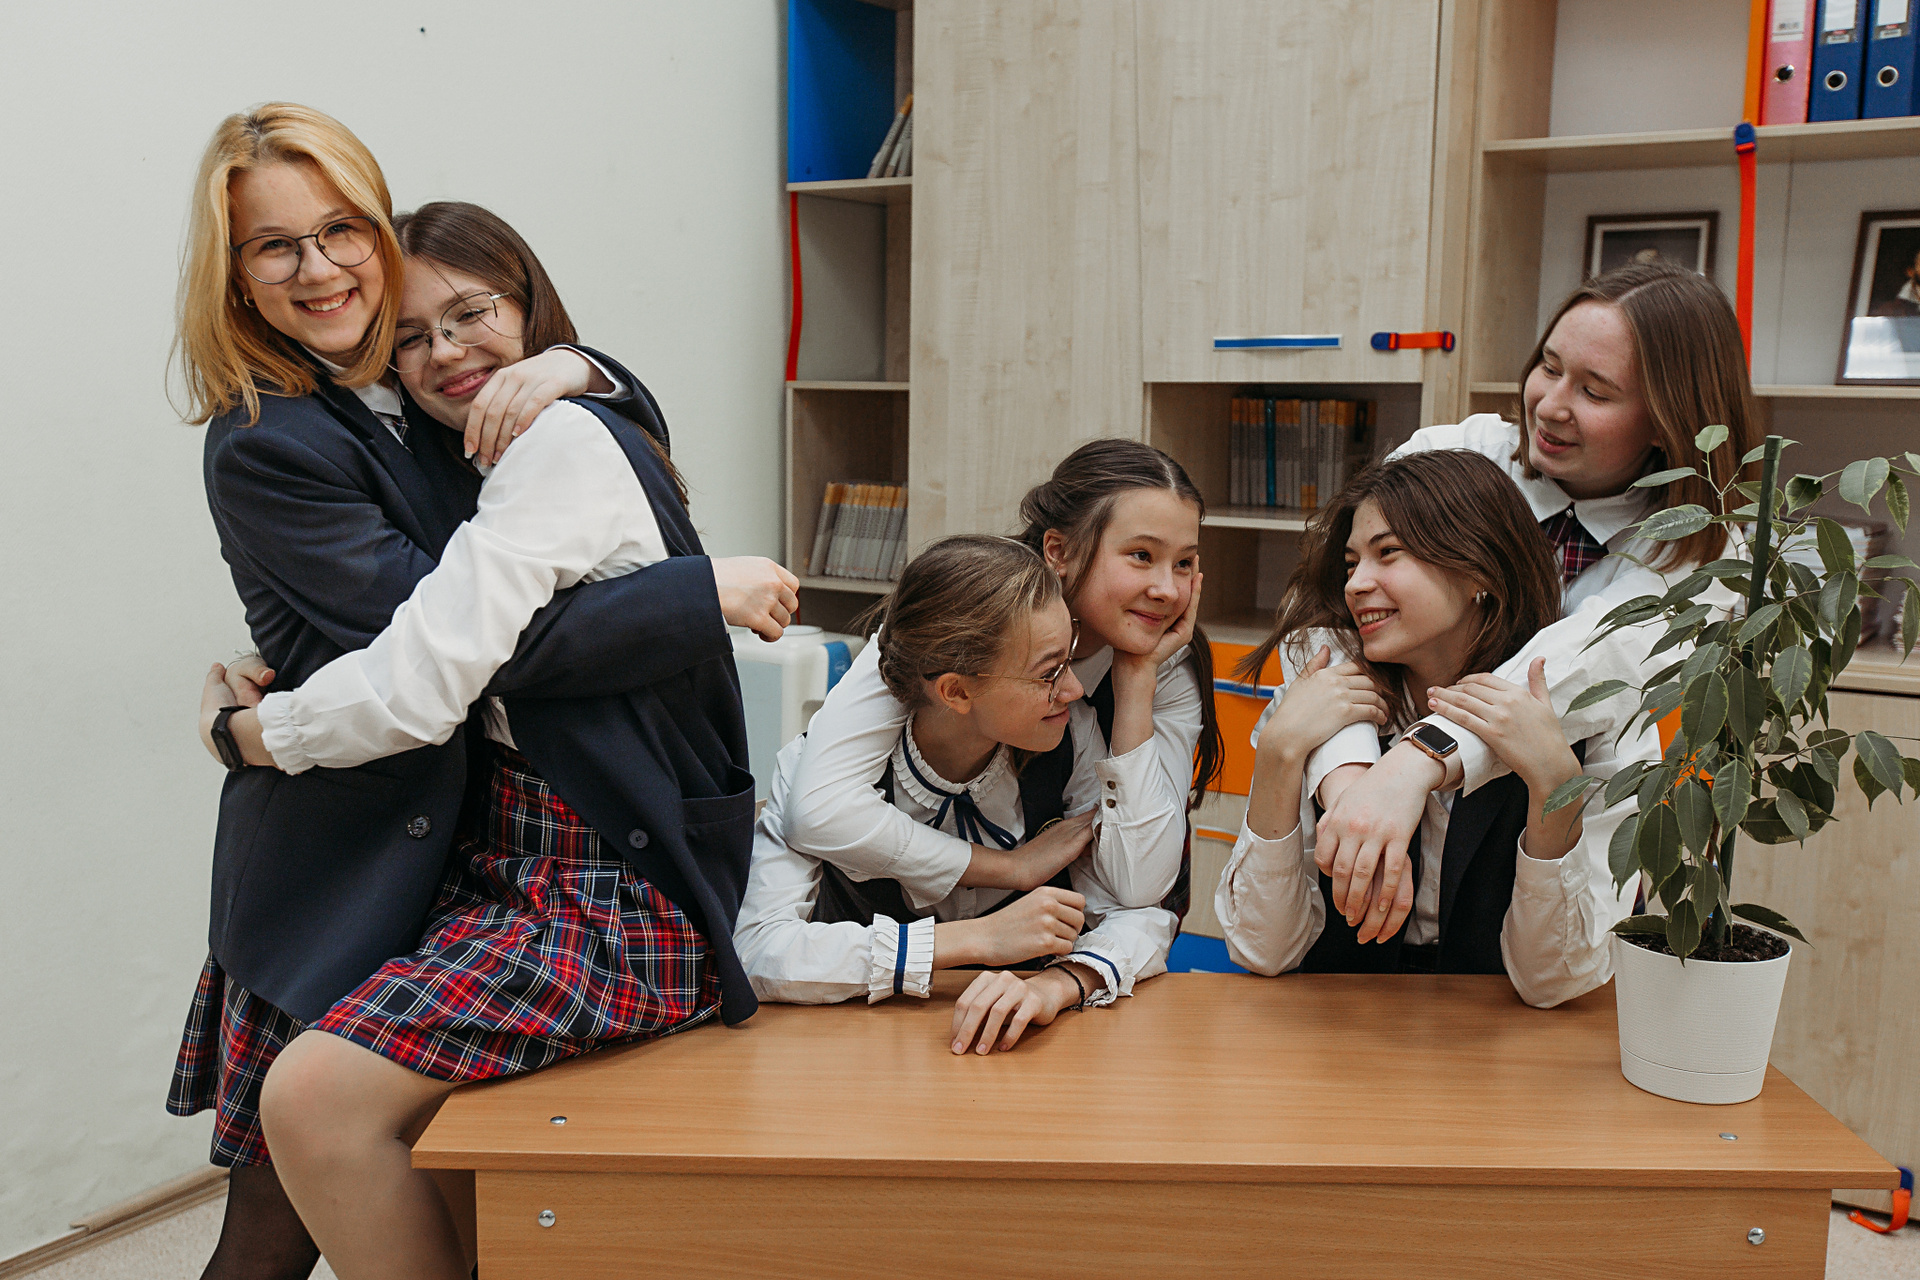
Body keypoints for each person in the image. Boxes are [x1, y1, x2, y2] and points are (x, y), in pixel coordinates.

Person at [168, 105, 795, 1280]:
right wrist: (694, 592)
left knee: (386, 1169)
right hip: (344, 852)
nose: (319, 267)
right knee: (269, 1222)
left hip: (478, 846)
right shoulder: (270, 438)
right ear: (237, 277)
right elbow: (455, 645)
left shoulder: (435, 396)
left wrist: (577, 365)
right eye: (275, 247)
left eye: (341, 230)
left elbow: (578, 440)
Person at [1304, 262, 1754, 943]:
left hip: (1547, 860)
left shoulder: (1700, 548)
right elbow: (1331, 620)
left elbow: (1575, 668)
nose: (1549, 405)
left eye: (1595, 391)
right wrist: (1353, 782)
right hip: (1386, 857)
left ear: (1667, 422)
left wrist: (1414, 763)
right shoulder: (1455, 452)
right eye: (1549, 366)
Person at [1217, 451, 1658, 1006]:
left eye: (1388, 553)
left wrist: (1553, 785)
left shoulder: (1589, 715)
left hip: (1501, 1031)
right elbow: (1263, 949)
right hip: (1342, 1019)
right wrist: (1279, 752)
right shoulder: (1323, 698)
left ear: (1479, 571)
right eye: (1351, 563)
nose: (1356, 584)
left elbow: (1552, 981)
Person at [735, 536, 1177, 1053]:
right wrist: (975, 940)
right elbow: (758, 952)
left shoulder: (1071, 742)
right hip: (860, 1060)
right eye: (1049, 672)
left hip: (1026, 1060)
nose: (1075, 689)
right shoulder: (819, 769)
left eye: (1069, 659)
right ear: (957, 691)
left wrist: (1060, 984)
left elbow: (1141, 911)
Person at [782, 439, 1223, 923]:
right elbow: (818, 810)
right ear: (1058, 551)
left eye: (1185, 563)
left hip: (1073, 925)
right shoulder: (958, 618)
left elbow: (1139, 884)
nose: (1167, 590)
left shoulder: (1169, 663)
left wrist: (1137, 678)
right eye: (1141, 555)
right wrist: (1010, 868)